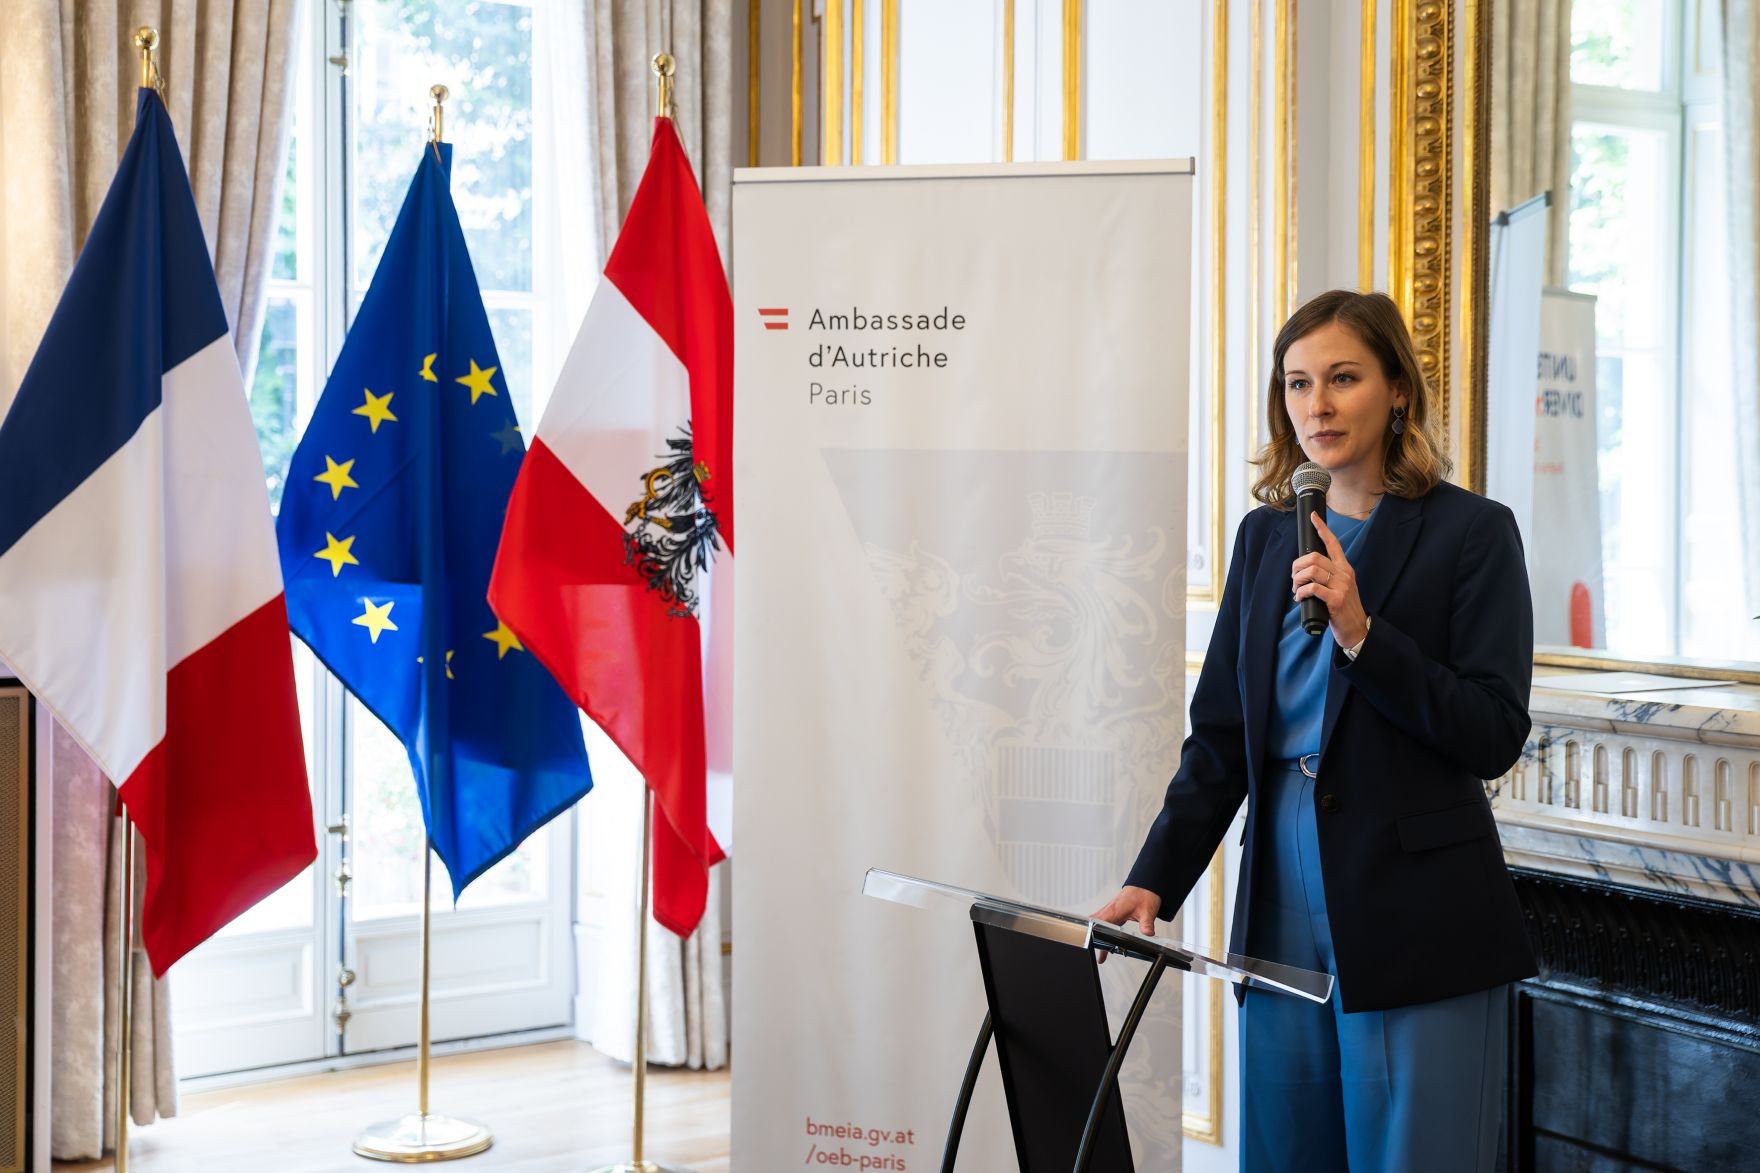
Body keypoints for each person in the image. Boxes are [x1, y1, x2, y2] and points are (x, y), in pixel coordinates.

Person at [1094, 289, 1536, 1172]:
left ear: (1397, 391)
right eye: (1298, 384)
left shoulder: (1473, 533)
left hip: (1418, 911)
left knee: (1415, 1155)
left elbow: (1492, 730)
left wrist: (1364, 635)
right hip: (1282, 901)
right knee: (1289, 1151)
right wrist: (1155, 880)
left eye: (1342, 378)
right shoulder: (1265, 541)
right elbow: (1220, 739)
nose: (1317, 406)